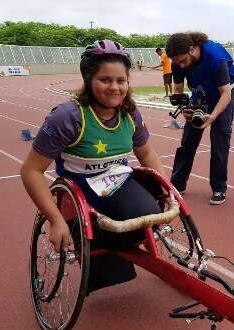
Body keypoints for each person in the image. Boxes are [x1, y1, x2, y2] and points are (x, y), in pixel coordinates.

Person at [20, 39, 167, 291]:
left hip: (115, 182)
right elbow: (31, 170)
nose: (115, 87)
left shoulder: (130, 113)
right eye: (105, 80)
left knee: (151, 214)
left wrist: (166, 188)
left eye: (121, 80)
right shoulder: (67, 117)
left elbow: (147, 153)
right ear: (88, 79)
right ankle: (92, 241)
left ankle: (105, 243)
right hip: (79, 189)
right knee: (110, 229)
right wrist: (55, 219)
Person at [165, 32, 234, 205]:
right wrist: (184, 109)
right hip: (199, 96)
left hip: (223, 97)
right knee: (188, 141)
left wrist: (212, 117)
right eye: (177, 63)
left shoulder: (215, 58)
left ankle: (219, 188)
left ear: (192, 49)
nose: (181, 66)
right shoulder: (177, 61)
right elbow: (178, 90)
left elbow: (226, 94)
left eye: (183, 61)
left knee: (220, 142)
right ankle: (177, 184)